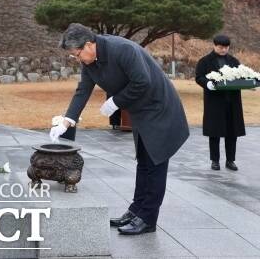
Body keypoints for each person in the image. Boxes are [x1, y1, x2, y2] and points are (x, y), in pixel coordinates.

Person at [51, 23, 189, 235]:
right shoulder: (90, 62)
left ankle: (148, 219)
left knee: (155, 163)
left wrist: (116, 101)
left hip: (159, 107)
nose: (77, 59)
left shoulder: (123, 50)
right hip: (141, 111)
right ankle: (136, 211)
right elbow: (83, 90)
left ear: (88, 44)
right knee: (143, 162)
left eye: (77, 54)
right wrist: (67, 121)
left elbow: (142, 81)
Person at [195, 34, 245, 171]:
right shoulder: (205, 61)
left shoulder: (234, 61)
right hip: (215, 102)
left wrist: (247, 82)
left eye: (226, 47)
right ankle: (215, 160)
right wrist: (207, 84)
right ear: (214, 45)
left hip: (232, 101)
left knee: (232, 132)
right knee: (214, 132)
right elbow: (199, 77)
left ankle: (230, 160)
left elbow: (241, 75)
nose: (223, 50)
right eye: (220, 47)